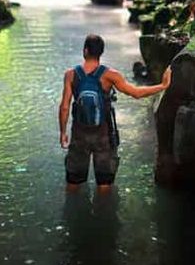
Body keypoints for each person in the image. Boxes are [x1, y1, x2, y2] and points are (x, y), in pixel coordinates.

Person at [59, 34, 172, 193]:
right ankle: (103, 214)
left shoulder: (71, 74)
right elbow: (136, 93)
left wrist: (63, 133)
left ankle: (72, 214)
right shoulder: (110, 75)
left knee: (73, 181)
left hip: (79, 134)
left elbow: (64, 106)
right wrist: (162, 86)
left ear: (85, 51)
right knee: (104, 184)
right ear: (101, 53)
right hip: (104, 135)